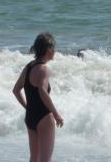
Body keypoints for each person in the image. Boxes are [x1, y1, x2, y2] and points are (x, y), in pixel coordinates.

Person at [12, 32, 64, 162]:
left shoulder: (29, 67)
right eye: (54, 48)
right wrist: (56, 114)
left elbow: (16, 90)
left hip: (30, 117)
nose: (55, 51)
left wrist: (27, 107)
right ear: (48, 49)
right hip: (44, 118)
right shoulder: (44, 69)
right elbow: (42, 91)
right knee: (46, 159)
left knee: (34, 158)